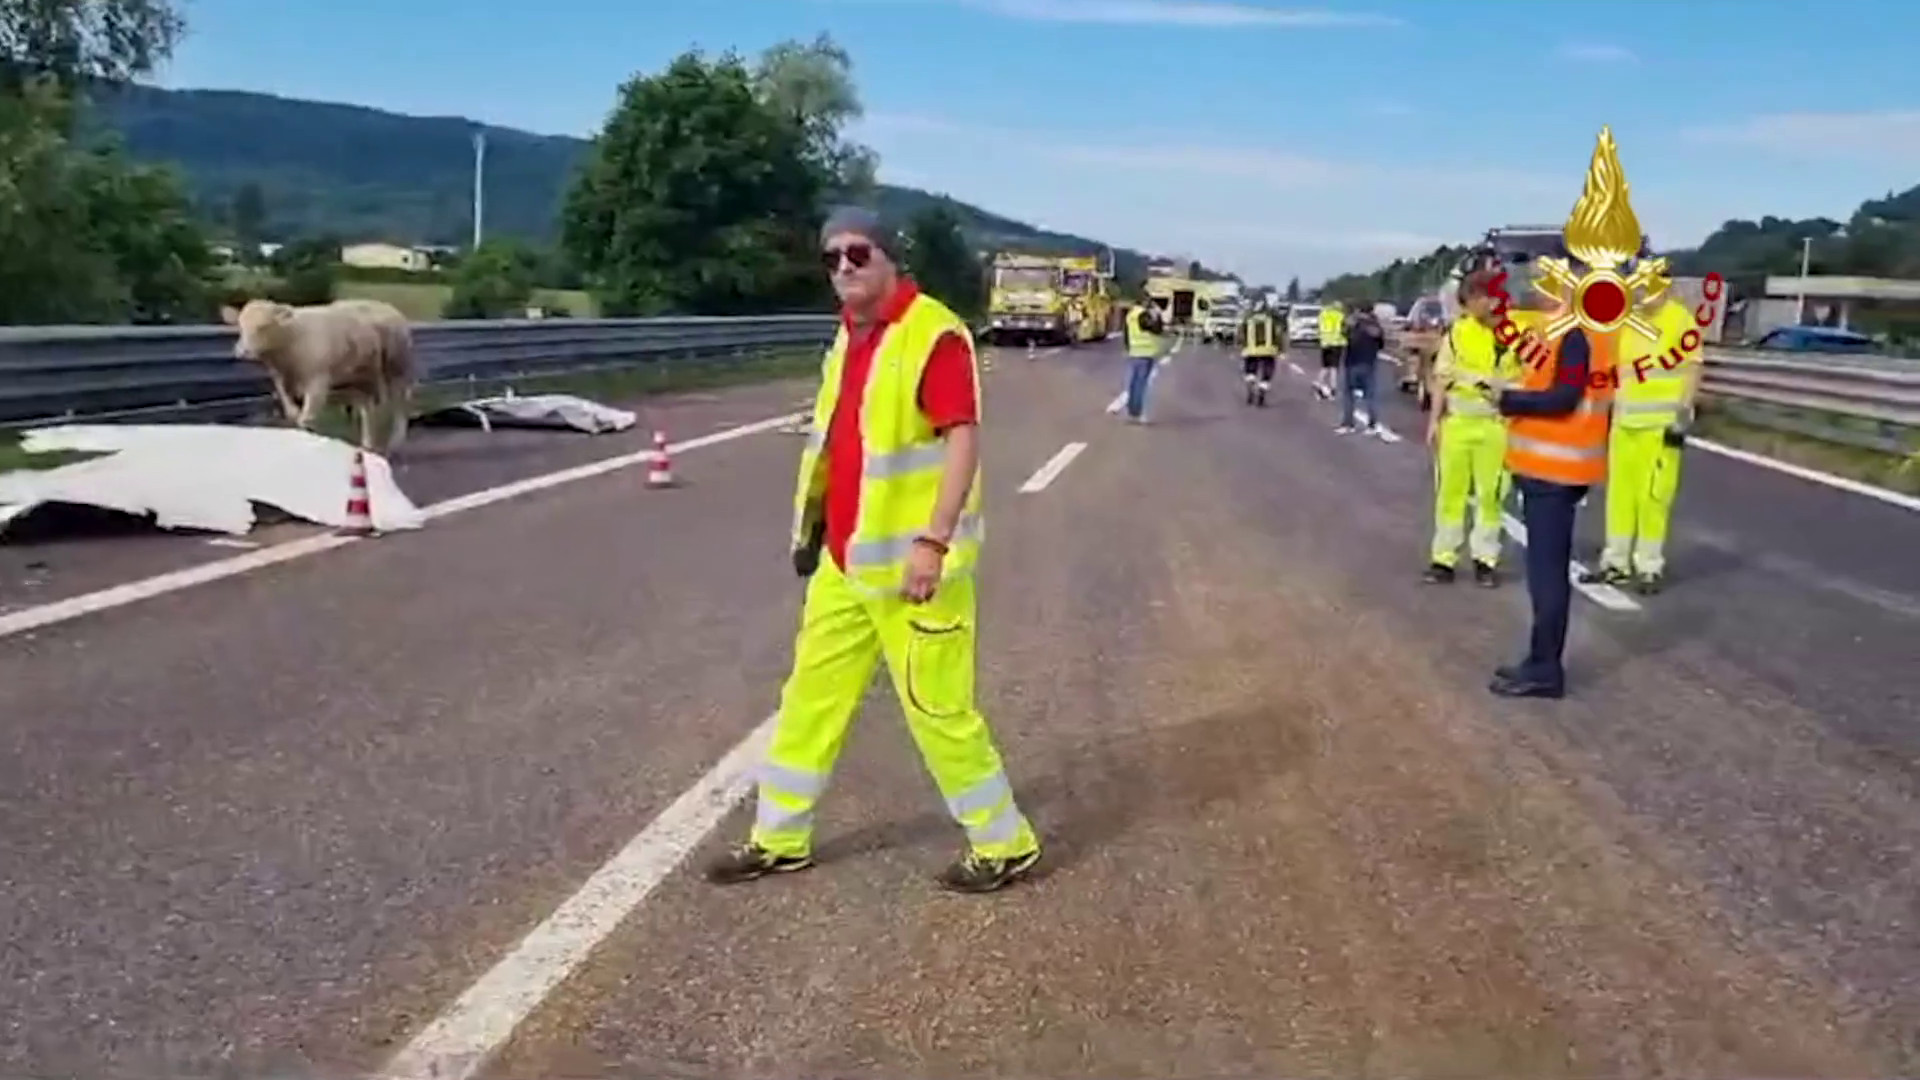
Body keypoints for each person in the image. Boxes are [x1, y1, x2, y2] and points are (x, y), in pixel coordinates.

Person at [707, 206, 1042, 894]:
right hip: (844, 563)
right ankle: (779, 838)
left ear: (891, 257)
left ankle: (1004, 842)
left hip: (915, 571)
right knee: (808, 701)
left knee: (938, 709)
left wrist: (933, 540)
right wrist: (812, 532)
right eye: (830, 258)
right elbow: (837, 442)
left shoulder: (932, 334)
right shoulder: (849, 335)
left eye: (857, 253)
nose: (843, 268)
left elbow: (963, 440)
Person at [1481, 262, 1616, 699]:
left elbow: (1563, 397)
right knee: (1543, 571)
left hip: (1557, 470)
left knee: (1546, 574)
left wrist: (1509, 400)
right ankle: (1539, 662)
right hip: (1547, 468)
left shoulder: (1575, 335)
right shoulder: (1557, 332)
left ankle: (1544, 668)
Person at [1579, 295, 1699, 594]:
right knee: (1620, 498)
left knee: (1653, 500)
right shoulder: (1625, 321)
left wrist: (1683, 416)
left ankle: (1649, 567)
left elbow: (1693, 367)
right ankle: (1616, 564)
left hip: (1660, 428)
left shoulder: (1678, 318)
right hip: (1624, 425)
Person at [1424, 269, 1521, 586]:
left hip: (1494, 425)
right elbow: (1441, 378)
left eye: (1473, 301)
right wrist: (1433, 422)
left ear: (1492, 300)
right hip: (1458, 424)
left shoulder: (1514, 335)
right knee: (1449, 494)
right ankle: (1444, 559)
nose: (1468, 309)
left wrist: (1501, 387)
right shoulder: (1457, 332)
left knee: (1490, 496)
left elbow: (1528, 379)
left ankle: (1485, 560)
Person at [1336, 301, 1386, 436]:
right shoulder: (1375, 326)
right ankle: (1372, 424)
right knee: (1371, 396)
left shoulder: (1353, 323)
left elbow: (1344, 334)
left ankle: (1348, 423)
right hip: (1369, 362)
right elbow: (1381, 344)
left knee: (1348, 394)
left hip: (1352, 361)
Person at [1121, 292, 1169, 423]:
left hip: (1135, 351)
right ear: (1144, 301)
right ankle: (1138, 413)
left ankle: (1132, 411)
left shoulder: (1130, 315)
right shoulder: (1143, 315)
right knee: (1141, 384)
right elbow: (1156, 329)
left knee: (1133, 383)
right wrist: (1158, 315)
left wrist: (1128, 348)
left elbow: (1126, 334)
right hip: (1146, 352)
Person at [1239, 299, 1281, 406]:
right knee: (1267, 374)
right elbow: (1277, 335)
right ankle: (1261, 393)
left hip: (1251, 350)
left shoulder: (1248, 319)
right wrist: (1280, 349)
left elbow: (1241, 334)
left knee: (1250, 371)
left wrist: (1242, 346)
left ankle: (1250, 390)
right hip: (1268, 351)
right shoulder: (1270, 320)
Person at [1314, 301, 1346, 400]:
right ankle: (1333, 389)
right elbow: (1344, 330)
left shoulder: (1323, 315)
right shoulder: (1340, 316)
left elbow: (1319, 328)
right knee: (1334, 368)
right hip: (1336, 343)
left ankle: (1318, 384)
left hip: (1325, 343)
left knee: (1325, 367)